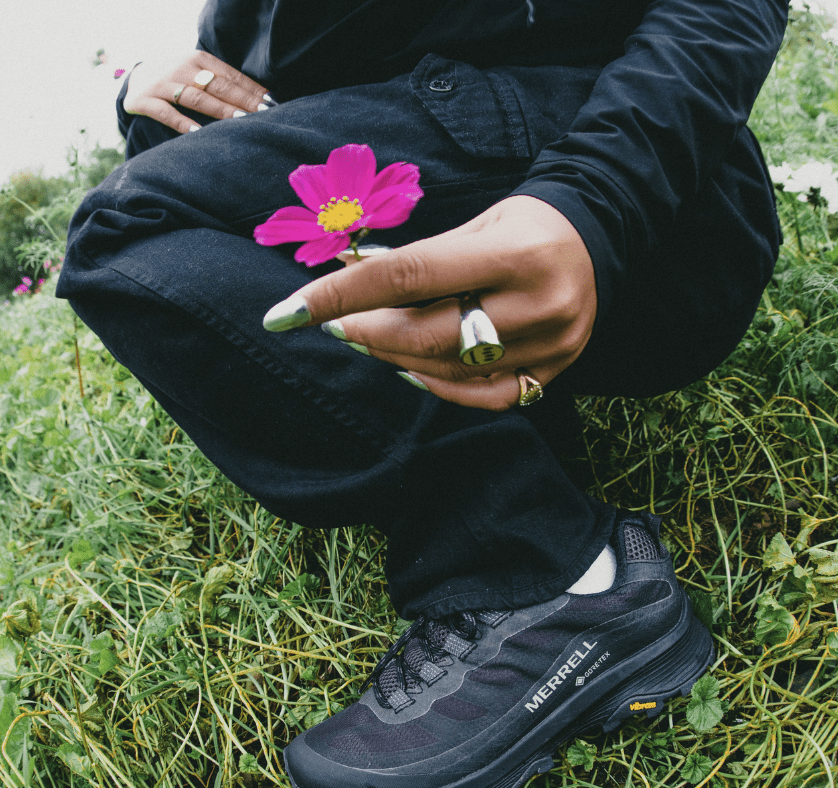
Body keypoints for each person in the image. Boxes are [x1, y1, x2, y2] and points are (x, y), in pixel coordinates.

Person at [57, 0, 788, 785]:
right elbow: (245, 92)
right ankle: (513, 448)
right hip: (462, 174)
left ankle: (554, 575)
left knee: (124, 224)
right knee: (148, 179)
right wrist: (158, 93)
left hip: (653, 198)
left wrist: (594, 196)